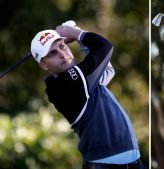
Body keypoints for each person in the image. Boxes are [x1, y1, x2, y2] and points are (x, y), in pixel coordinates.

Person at [30, 22, 145, 169]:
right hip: (104, 164)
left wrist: (78, 35)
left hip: (131, 162)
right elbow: (104, 47)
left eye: (62, 46)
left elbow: (108, 70)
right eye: (52, 54)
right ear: (44, 65)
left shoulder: (85, 81)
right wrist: (77, 34)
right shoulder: (64, 84)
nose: (61, 54)